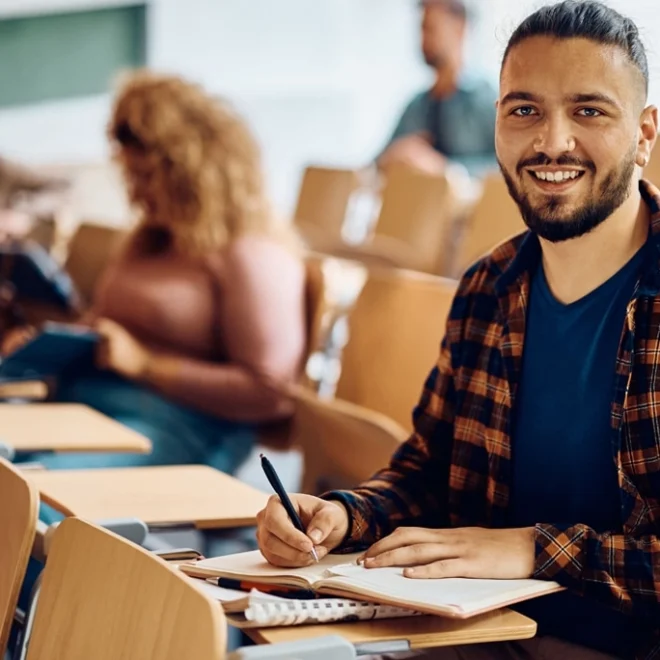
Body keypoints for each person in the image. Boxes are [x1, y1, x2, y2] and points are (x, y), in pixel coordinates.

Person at [256, 1, 660, 658]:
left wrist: (533, 549)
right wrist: (344, 515)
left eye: (589, 110)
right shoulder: (487, 289)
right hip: (471, 634)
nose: (552, 142)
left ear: (645, 133)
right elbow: (429, 473)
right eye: (524, 110)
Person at [13, 71, 307, 476]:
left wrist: (147, 364)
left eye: (146, 177)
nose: (133, 193)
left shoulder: (252, 252)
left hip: (177, 428)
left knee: (15, 502)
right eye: (129, 175)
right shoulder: (152, 236)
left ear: (193, 171)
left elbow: (271, 393)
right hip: (87, 403)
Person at [377, 0, 496, 178]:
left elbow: (508, 167)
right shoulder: (416, 106)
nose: (424, 39)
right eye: (422, 29)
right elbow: (374, 166)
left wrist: (446, 170)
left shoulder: (485, 99)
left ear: (460, 28)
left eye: (431, 28)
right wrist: (392, 157)